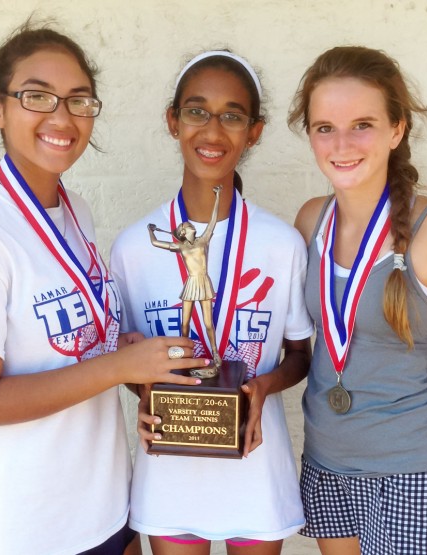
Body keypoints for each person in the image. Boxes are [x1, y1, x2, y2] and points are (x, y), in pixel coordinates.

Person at [0, 22, 208, 555]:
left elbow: (77, 349)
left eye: (78, 100)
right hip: (28, 527)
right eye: (37, 96)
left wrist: (130, 359)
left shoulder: (75, 209)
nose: (61, 117)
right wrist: (118, 367)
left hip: (103, 507)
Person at [289, 46, 427, 555]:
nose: (341, 143)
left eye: (361, 124)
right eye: (324, 127)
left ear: (397, 129)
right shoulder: (309, 221)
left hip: (413, 473)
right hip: (327, 465)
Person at [110, 50, 313, 555]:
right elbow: (123, 357)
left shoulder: (280, 243)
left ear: (255, 131)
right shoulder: (135, 246)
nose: (213, 130)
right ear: (173, 121)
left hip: (254, 463)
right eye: (197, 110)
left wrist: (263, 387)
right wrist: (148, 398)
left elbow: (299, 354)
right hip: (170, 469)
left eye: (232, 115)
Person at [147, 185, 224, 376]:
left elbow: (212, 222)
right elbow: (156, 243)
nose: (192, 228)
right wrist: (151, 231)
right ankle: (185, 357)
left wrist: (217, 197)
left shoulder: (203, 240)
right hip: (191, 284)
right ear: (183, 233)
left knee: (208, 323)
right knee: (185, 323)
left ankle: (215, 354)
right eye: (188, 227)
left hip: (203, 282)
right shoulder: (180, 247)